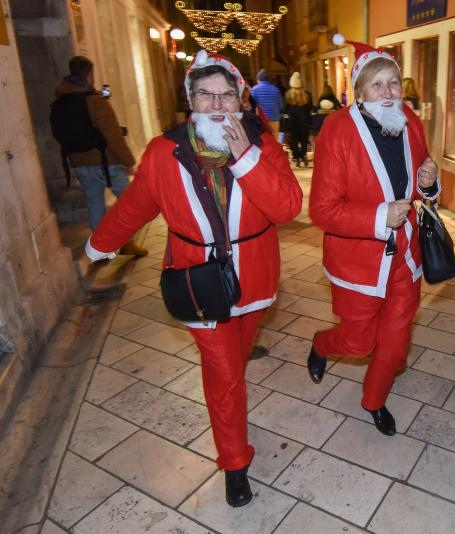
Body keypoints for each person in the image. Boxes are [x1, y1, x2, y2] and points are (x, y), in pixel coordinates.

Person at [83, 50, 302, 508]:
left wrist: (245, 157)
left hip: (254, 275)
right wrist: (97, 246)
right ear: (190, 100)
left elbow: (286, 207)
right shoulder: (164, 152)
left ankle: (232, 415)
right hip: (196, 278)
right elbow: (134, 206)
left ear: (241, 101)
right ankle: (235, 463)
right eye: (207, 94)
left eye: (227, 95)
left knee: (235, 360)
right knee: (223, 373)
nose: (218, 105)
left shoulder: (263, 145)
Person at [307, 34, 440, 436]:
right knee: (358, 342)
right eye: (377, 84)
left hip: (407, 255)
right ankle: (320, 344)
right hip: (359, 260)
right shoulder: (337, 130)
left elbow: (419, 186)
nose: (388, 92)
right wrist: (381, 215)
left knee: (396, 346)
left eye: (394, 83)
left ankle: (374, 401)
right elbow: (322, 211)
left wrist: (428, 184)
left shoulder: (410, 121)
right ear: (359, 91)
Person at [53, 56, 147, 255]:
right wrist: (129, 161)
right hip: (105, 162)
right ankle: (126, 242)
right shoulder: (95, 101)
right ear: (89, 74)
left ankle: (101, 248)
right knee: (132, 201)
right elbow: (113, 136)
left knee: (94, 201)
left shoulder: (60, 102)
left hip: (78, 161)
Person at [283, 72, 313, 167]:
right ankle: (303, 155)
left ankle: (296, 156)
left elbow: (285, 109)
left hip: (293, 122)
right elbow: (309, 108)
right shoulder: (306, 95)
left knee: (294, 140)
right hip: (304, 121)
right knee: (304, 140)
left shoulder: (288, 95)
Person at [250, 68, 282, 138]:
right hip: (274, 119)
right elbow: (280, 106)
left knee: (262, 140)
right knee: (274, 140)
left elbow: (252, 105)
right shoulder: (275, 89)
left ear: (258, 80)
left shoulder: (254, 90)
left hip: (260, 120)